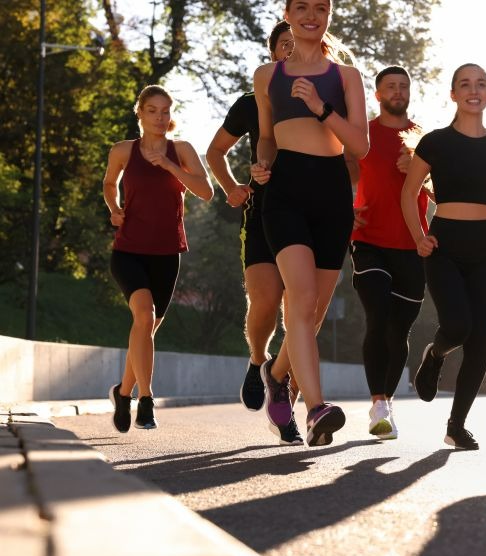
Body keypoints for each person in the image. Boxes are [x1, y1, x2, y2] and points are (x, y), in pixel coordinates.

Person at [250, 0, 368, 447]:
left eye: (321, 7)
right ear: (287, 11)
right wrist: (262, 164)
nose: (311, 15)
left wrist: (321, 107)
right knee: (298, 299)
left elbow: (360, 145)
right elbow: (266, 137)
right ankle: (317, 408)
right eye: (302, 6)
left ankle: (276, 376)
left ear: (329, 15)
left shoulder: (346, 77)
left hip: (332, 197)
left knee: (312, 313)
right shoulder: (267, 76)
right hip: (285, 195)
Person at [401, 63, 486, 450]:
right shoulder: (435, 142)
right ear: (453, 94)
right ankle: (435, 354)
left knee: (481, 339)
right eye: (465, 84)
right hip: (445, 244)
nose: (474, 90)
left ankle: (456, 425)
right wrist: (420, 237)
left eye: (481, 84)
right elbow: (409, 194)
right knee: (457, 326)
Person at [205, 20, 304, 445]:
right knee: (266, 301)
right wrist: (231, 187)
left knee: (301, 313)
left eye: (299, 45)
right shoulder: (251, 101)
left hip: (311, 214)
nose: (292, 51)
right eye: (285, 45)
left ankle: (287, 408)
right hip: (262, 211)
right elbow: (214, 151)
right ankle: (256, 360)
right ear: (272, 53)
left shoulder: (325, 98)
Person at [103, 85, 214, 433]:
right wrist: (114, 208)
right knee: (144, 315)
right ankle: (146, 400)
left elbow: (206, 191)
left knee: (145, 330)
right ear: (140, 113)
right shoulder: (122, 150)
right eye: (152, 110)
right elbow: (109, 183)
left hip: (167, 254)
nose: (159, 117)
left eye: (165, 111)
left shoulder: (181, 150)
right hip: (128, 250)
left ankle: (123, 393)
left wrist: (168, 165)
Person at [349, 65, 431, 441]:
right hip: (368, 240)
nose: (398, 91)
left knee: (399, 332)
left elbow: (446, 192)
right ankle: (378, 403)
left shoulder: (424, 139)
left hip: (413, 245)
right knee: (377, 317)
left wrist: (422, 172)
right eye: (390, 87)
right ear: (378, 94)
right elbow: (336, 176)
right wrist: (346, 209)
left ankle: (388, 401)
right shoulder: (361, 133)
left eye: (403, 86)